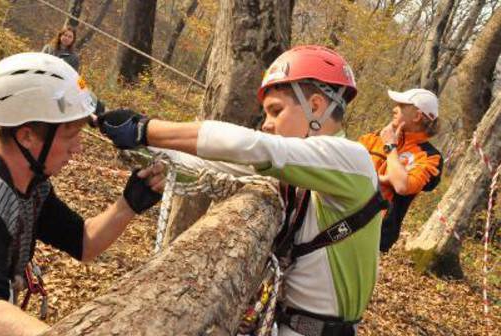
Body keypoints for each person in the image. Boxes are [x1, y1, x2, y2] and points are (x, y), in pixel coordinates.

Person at [98, 45, 385, 336]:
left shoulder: (354, 161)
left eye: (276, 111)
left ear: (315, 106)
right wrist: (137, 144)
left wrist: (145, 129)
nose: (267, 125)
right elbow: (212, 164)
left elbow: (252, 146)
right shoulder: (302, 173)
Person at [0, 52, 165, 336]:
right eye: (69, 135)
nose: (77, 148)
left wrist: (128, 205)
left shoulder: (30, 183)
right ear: (26, 136)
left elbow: (83, 241)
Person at [358, 89, 443, 252]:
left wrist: (391, 147)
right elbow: (345, 170)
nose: (394, 108)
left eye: (401, 105)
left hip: (376, 234)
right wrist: (384, 179)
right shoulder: (373, 138)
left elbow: (402, 186)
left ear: (417, 116)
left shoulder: (429, 156)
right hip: (339, 216)